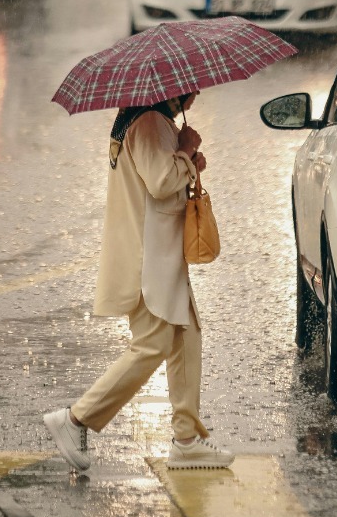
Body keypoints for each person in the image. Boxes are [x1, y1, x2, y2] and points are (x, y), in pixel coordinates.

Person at [44, 91, 235, 472]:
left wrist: (187, 159)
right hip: (150, 260)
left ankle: (186, 439)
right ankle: (75, 418)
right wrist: (186, 152)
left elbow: (163, 176)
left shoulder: (143, 118)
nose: (196, 92)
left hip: (162, 256)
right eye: (190, 86)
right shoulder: (148, 122)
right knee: (153, 344)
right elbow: (162, 181)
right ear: (172, 88)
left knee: (186, 337)